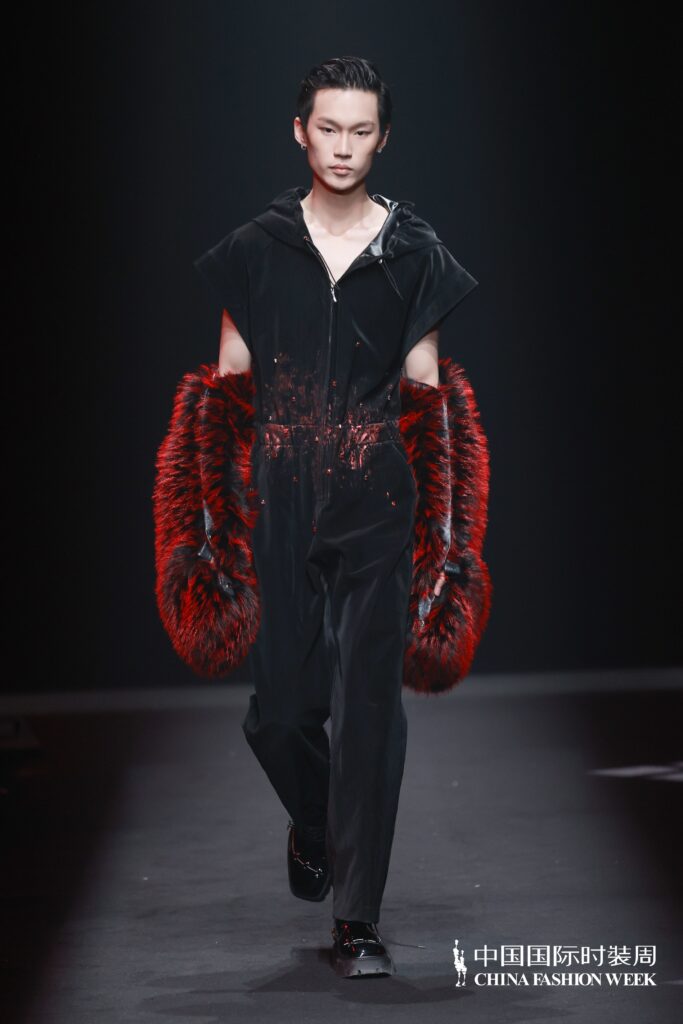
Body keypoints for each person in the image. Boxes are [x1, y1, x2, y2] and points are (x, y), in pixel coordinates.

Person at [159, 55, 490, 978]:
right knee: (281, 715)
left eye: (361, 131)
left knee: (368, 711)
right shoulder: (254, 248)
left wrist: (442, 548)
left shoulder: (415, 254)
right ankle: (314, 821)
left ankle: (358, 920)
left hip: (378, 500)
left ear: (383, 139)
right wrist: (214, 532)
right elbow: (226, 388)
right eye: (328, 128)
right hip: (278, 501)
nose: (343, 147)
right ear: (300, 132)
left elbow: (427, 394)